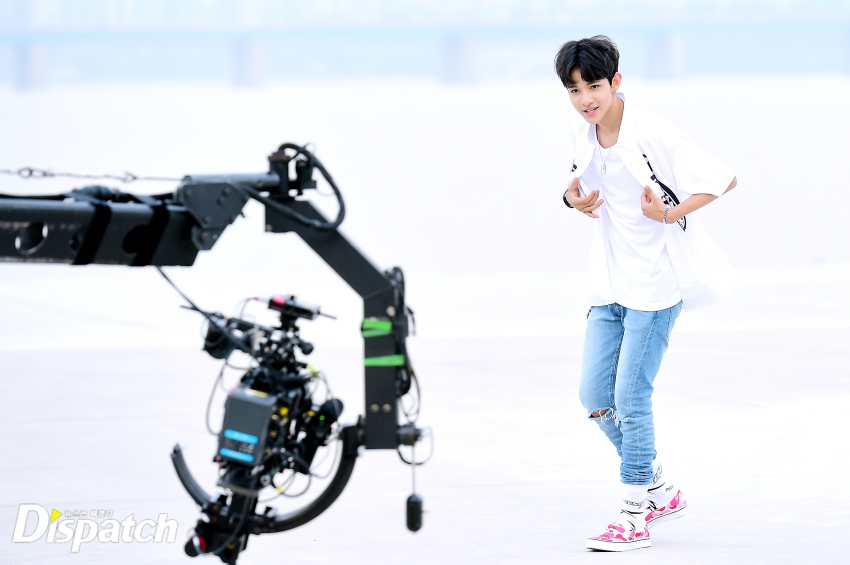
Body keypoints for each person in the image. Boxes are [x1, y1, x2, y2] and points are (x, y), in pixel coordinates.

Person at [554, 35, 737, 552]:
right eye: (574, 90)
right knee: (595, 398)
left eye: (593, 86)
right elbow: (577, 185)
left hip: (655, 288)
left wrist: (669, 213)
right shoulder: (583, 133)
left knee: (631, 400)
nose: (585, 99)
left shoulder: (653, 131)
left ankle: (635, 512)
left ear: (615, 82)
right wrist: (571, 199)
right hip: (609, 284)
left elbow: (724, 179)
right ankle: (658, 488)